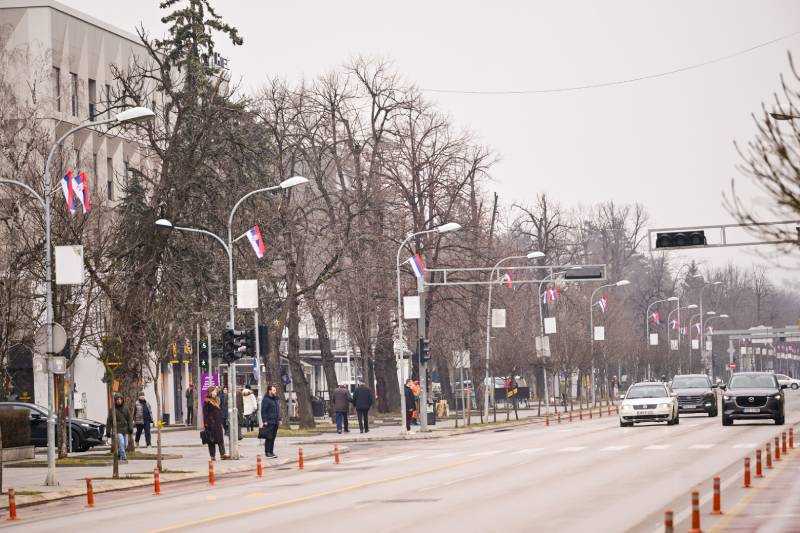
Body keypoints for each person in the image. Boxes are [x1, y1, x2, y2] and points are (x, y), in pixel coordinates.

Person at [203, 385, 228, 460]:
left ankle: (222, 454)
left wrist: (221, 420)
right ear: (210, 392)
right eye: (214, 391)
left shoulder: (218, 400)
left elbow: (220, 411)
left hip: (218, 422)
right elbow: (205, 413)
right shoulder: (207, 401)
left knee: (220, 439)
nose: (216, 392)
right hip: (211, 423)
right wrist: (206, 423)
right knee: (211, 440)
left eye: (216, 391)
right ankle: (212, 456)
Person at [106, 394, 132, 463]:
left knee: (125, 445)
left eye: (120, 399)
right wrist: (108, 431)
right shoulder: (112, 410)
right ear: (115, 400)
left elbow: (129, 419)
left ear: (122, 400)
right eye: (117, 399)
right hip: (117, 429)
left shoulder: (125, 408)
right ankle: (124, 458)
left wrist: (130, 427)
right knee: (121, 443)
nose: (119, 400)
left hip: (125, 429)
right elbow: (109, 421)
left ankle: (119, 455)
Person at [260, 385, 281, 458]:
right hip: (269, 421)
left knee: (273, 437)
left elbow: (277, 410)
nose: (275, 391)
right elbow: (263, 411)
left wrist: (279, 419)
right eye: (274, 390)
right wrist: (264, 420)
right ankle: (267, 452)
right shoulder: (266, 400)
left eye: (275, 390)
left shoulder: (275, 399)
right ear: (270, 391)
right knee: (269, 437)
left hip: (275, 421)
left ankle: (271, 452)